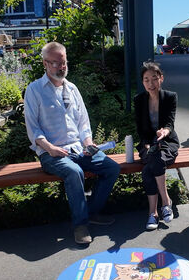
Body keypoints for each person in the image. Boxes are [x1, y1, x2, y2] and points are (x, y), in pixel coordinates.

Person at [24, 42, 120, 244]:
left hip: (78, 149)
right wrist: (50, 148)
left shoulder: (73, 89)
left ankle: (91, 212)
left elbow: (83, 122)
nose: (62, 67)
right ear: (45, 64)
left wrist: (88, 143)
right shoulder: (34, 90)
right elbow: (33, 129)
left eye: (64, 62)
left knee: (112, 168)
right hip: (50, 153)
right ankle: (80, 224)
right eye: (56, 63)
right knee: (74, 172)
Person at [134, 61, 179, 231]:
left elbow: (170, 122)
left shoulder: (170, 97)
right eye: (146, 80)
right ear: (143, 82)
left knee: (152, 163)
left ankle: (153, 212)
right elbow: (140, 128)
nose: (151, 83)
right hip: (148, 143)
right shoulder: (139, 100)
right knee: (153, 157)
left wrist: (165, 132)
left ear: (161, 79)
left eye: (154, 78)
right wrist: (146, 143)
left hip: (167, 142)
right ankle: (165, 203)